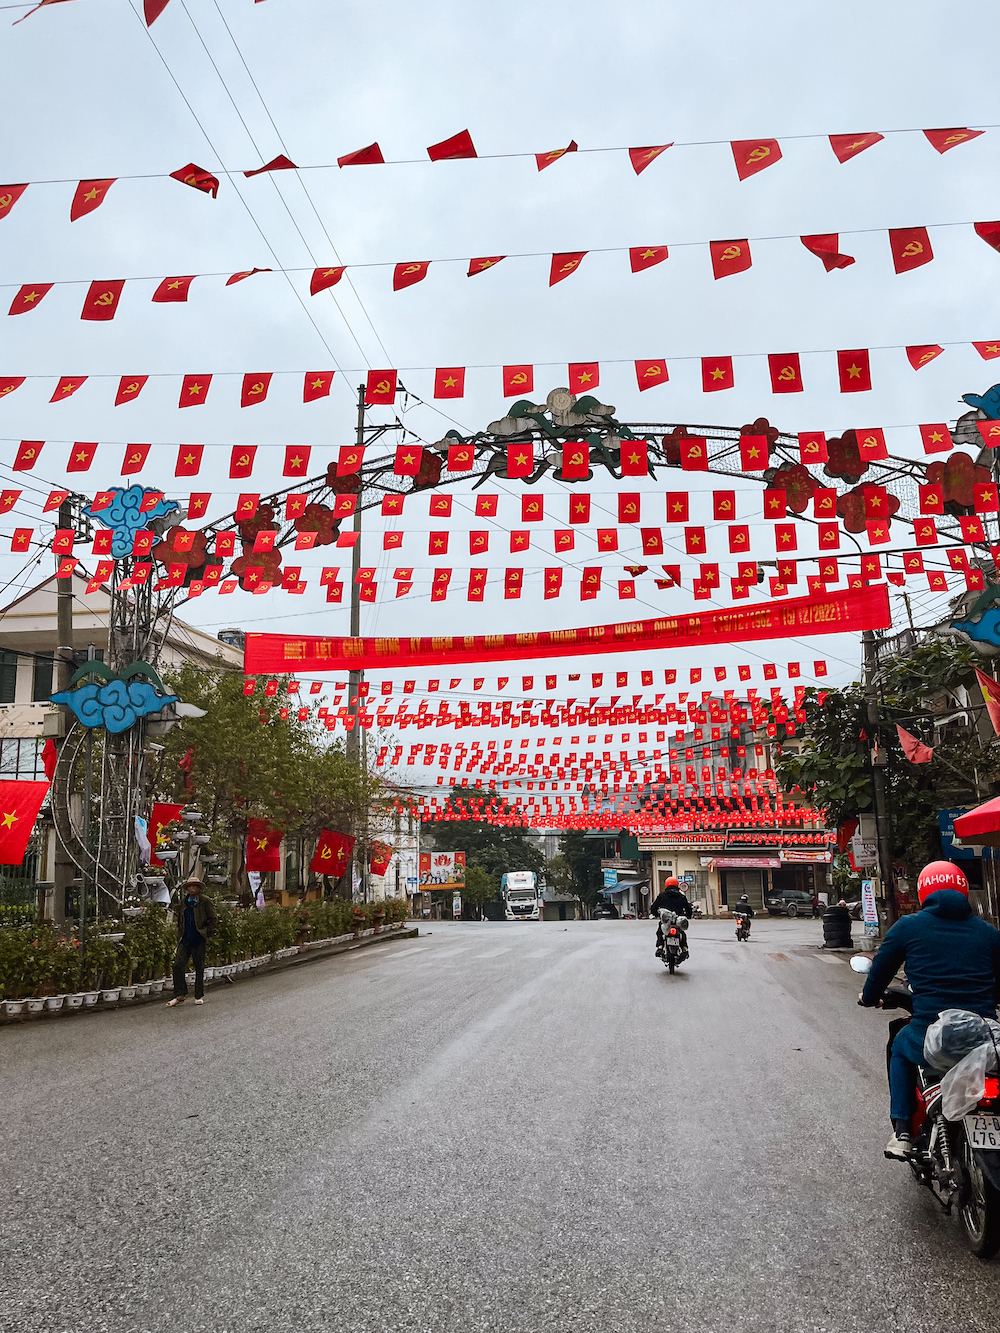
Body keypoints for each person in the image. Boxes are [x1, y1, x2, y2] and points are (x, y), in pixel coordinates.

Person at [859, 860, 1000, 1160]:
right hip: (986, 1036)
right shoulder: (987, 932)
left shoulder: (909, 927)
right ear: (962, 890)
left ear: (924, 892)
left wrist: (869, 998)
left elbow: (880, 972)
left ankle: (903, 1130)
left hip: (931, 1035)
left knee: (899, 1044)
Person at [166, 877, 217, 1007]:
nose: (192, 889)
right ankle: (180, 994)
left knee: (198, 966)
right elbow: (180, 921)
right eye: (190, 887)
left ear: (199, 888)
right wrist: (180, 935)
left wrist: (206, 933)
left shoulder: (204, 901)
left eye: (194, 886)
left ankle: (198, 995)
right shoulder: (184, 902)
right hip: (186, 939)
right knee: (178, 964)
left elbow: (213, 918)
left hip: (198, 938)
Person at [650, 877, 693, 957]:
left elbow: (654, 907)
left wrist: (656, 914)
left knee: (660, 931)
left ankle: (660, 946)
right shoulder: (681, 897)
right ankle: (684, 948)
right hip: (678, 921)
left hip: (666, 921)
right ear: (677, 885)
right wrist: (688, 916)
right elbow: (688, 908)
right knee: (682, 933)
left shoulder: (662, 896)